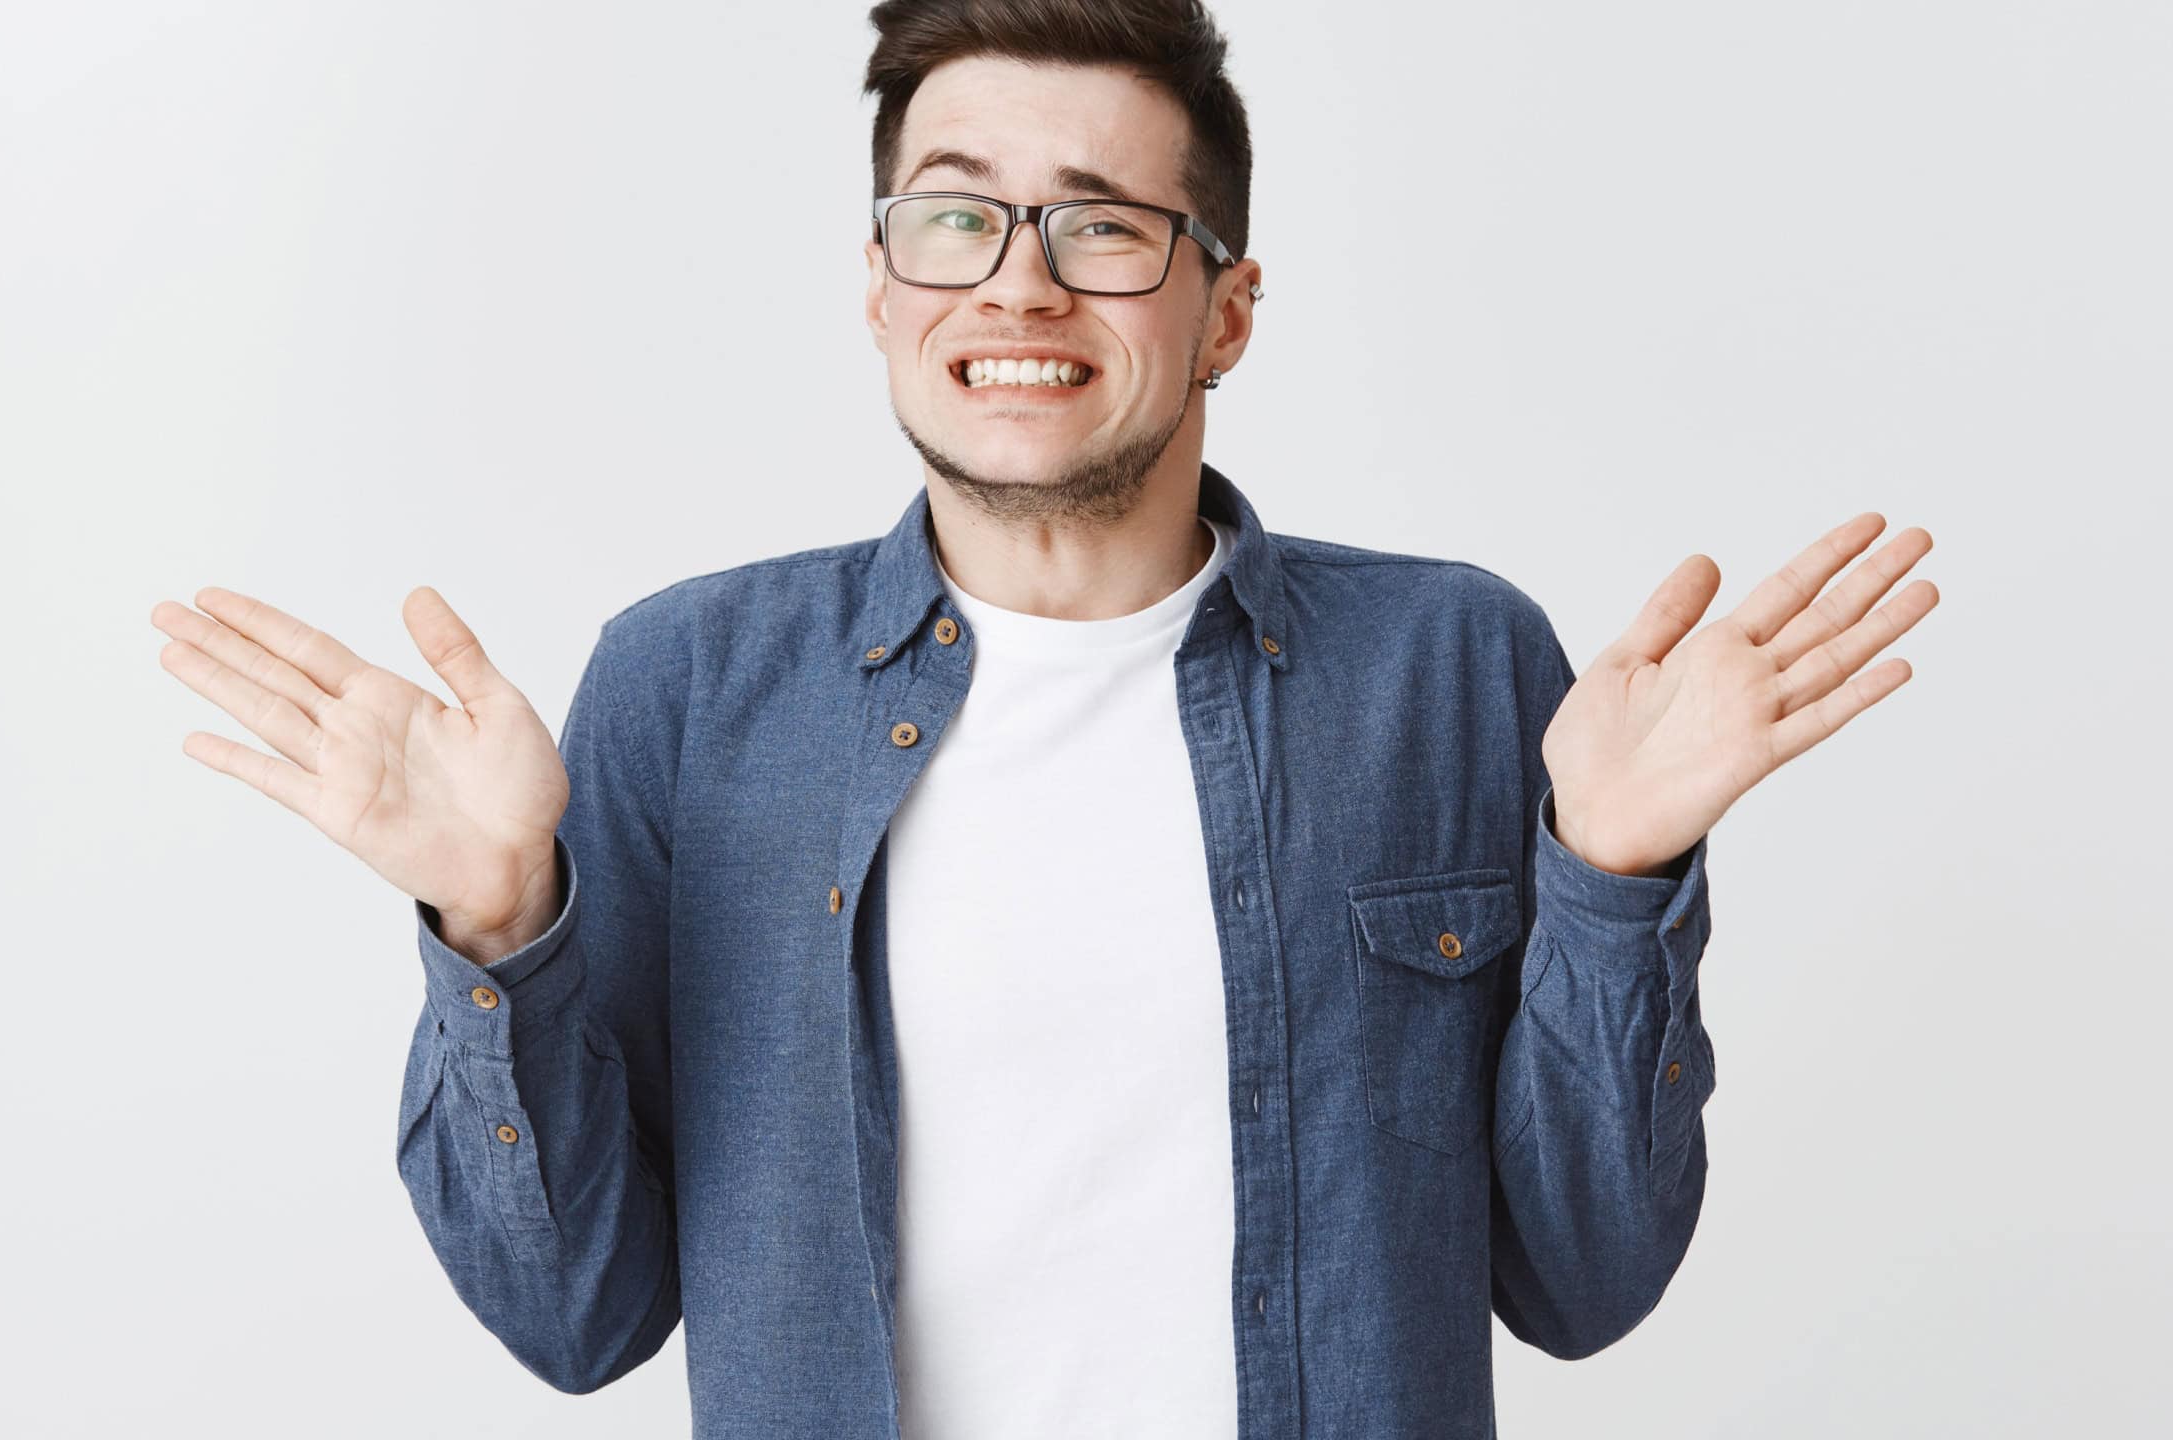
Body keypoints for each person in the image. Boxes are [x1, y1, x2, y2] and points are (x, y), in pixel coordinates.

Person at [150, 0, 1938, 1434]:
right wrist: (496, 931)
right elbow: (577, 1320)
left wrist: (1617, 877)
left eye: (1103, 224)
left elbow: (1584, 1284)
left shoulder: (1454, 667)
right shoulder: (686, 690)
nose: (1017, 280)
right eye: (953, 214)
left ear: (1227, 306)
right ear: (879, 287)